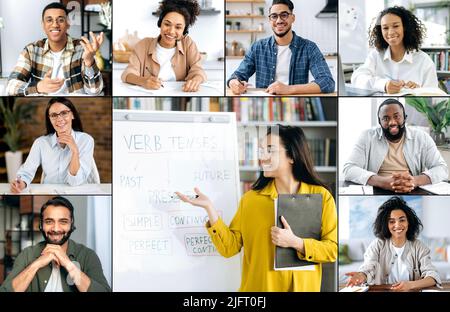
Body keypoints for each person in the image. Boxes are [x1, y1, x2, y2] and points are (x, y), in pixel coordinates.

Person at [177, 125, 337, 291]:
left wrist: (296, 243)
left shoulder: (321, 197)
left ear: (292, 156)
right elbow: (229, 248)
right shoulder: (251, 200)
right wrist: (209, 208)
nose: (263, 157)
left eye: (270, 150)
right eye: (261, 151)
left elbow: (332, 250)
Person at [0, 197, 111, 292]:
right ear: (41, 225)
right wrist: (36, 264)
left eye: (63, 221)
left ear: (72, 224)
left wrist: (69, 265)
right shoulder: (27, 254)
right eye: (49, 221)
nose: (56, 229)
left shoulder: (87, 255)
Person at [227, 0, 334, 95]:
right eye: (274, 16)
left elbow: (327, 82)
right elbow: (237, 75)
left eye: (284, 15)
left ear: (293, 18)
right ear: (269, 20)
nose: (279, 21)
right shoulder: (257, 47)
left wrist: (289, 89)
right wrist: (233, 83)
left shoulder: (309, 48)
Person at [343, 98, 448, 192]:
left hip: (411, 189)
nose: (392, 122)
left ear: (404, 118)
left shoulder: (422, 137)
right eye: (386, 118)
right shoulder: (367, 136)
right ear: (379, 121)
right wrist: (382, 182)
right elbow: (349, 169)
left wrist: (415, 181)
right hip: (377, 189)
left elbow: (441, 168)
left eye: (396, 116)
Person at [6, 2, 104, 96]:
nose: (55, 25)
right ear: (43, 25)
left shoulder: (82, 49)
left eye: (60, 20)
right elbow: (10, 87)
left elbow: (94, 91)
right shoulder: (31, 50)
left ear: (68, 24)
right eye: (49, 20)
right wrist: (38, 87)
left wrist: (89, 61)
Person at [345, 196, 441, 291]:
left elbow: (432, 276)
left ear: (409, 222)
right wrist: (361, 275)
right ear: (386, 225)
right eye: (391, 221)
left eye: (402, 220)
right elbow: (368, 267)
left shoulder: (419, 246)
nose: (397, 225)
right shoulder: (378, 244)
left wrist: (410, 285)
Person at [10, 97, 95, 193]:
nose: (59, 118)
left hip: (76, 192)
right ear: (49, 119)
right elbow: (26, 172)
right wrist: (21, 183)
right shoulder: (41, 143)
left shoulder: (86, 140)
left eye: (64, 113)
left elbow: (75, 182)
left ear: (72, 115)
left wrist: (75, 151)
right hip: (48, 192)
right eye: (54, 115)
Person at [121, 0, 206, 92]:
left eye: (178, 27)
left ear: (184, 32)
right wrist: (143, 81)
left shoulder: (188, 44)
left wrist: (195, 80)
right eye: (167, 24)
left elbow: (198, 71)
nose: (171, 31)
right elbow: (127, 74)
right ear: (160, 23)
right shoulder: (143, 45)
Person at [351, 6, 439, 94]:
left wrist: (419, 91)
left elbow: (434, 95)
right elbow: (357, 78)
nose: (391, 32)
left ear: (404, 27)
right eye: (385, 28)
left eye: (396, 26)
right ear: (380, 31)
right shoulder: (375, 55)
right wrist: (384, 85)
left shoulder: (424, 61)